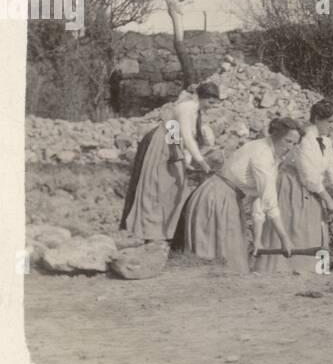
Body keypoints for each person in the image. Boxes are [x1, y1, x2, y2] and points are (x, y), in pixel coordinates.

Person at [173, 117, 302, 272]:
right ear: (276, 135)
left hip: (225, 197)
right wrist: (284, 238)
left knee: (228, 258)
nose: (291, 147)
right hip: (216, 199)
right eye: (288, 141)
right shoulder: (262, 154)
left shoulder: (269, 153)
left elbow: (260, 201)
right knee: (216, 259)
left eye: (295, 144)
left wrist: (258, 239)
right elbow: (269, 203)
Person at [255, 101, 333, 275]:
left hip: (311, 190)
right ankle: (285, 270)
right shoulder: (305, 139)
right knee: (296, 227)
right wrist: (328, 200)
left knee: (313, 227)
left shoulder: (326, 141)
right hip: (291, 189)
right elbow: (309, 177)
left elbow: (332, 171)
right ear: (318, 119)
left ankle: (311, 271)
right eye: (330, 122)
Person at [120, 81, 220, 241]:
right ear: (202, 97)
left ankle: (167, 231)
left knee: (176, 187)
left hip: (172, 144)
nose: (211, 106)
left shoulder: (196, 111)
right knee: (156, 187)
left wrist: (185, 159)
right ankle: (148, 230)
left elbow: (180, 137)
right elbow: (185, 136)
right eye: (210, 102)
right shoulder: (187, 107)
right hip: (160, 144)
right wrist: (201, 161)